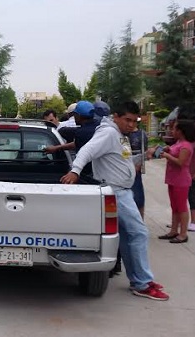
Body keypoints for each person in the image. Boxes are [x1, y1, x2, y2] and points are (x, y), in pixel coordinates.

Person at [60, 101, 169, 301]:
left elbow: (123, 161)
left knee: (129, 237)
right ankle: (142, 282)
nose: (131, 125)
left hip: (122, 191)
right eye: (127, 120)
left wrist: (146, 155)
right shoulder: (108, 133)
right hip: (116, 191)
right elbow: (87, 151)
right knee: (139, 233)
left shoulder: (119, 135)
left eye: (134, 121)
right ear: (115, 116)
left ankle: (140, 280)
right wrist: (75, 171)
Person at [157, 119, 195, 243]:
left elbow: (181, 162)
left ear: (181, 131)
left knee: (181, 207)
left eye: (174, 129)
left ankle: (183, 234)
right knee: (175, 206)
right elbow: (174, 154)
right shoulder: (178, 143)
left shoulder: (186, 146)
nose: (172, 131)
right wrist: (169, 150)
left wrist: (167, 156)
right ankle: (174, 230)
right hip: (173, 179)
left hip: (181, 180)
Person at [45, 101, 98, 176]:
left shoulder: (82, 133)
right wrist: (56, 148)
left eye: (74, 115)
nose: (73, 118)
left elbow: (77, 145)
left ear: (78, 115)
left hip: (88, 172)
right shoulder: (99, 126)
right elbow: (75, 144)